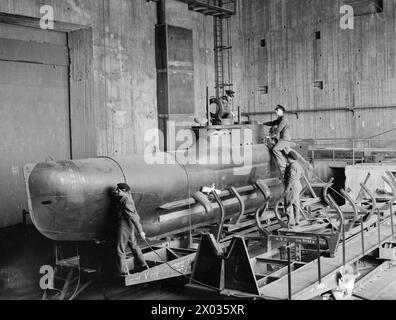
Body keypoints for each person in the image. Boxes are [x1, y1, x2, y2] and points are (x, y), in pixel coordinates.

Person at [114, 183, 149, 276]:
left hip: (124, 226)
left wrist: (141, 231)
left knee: (120, 248)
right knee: (134, 245)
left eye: (118, 191)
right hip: (129, 226)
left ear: (124, 192)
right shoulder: (127, 196)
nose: (116, 191)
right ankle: (143, 265)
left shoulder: (126, 200)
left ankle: (123, 271)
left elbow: (134, 216)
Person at [262, 105, 292, 177]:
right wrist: (262, 123)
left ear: (282, 111)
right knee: (287, 154)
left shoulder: (284, 119)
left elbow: (279, 129)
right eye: (276, 111)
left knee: (275, 149)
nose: (276, 113)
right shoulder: (280, 118)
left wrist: (271, 135)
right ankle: (288, 165)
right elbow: (273, 123)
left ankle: (283, 165)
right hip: (283, 138)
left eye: (277, 111)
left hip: (284, 139)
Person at [283, 150, 304, 228]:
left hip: (292, 187)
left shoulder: (292, 166)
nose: (286, 159)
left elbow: (291, 178)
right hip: (298, 185)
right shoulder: (298, 165)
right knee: (296, 204)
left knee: (288, 204)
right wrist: (297, 179)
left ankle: (291, 224)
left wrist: (287, 188)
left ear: (289, 158)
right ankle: (297, 221)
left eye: (287, 157)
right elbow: (302, 173)